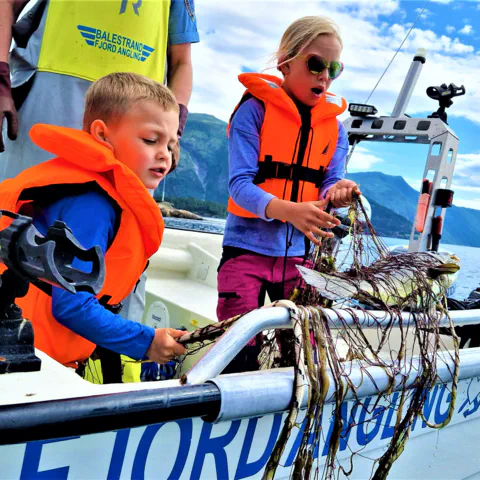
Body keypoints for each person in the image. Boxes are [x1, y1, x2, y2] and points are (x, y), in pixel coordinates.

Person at [0, 72, 186, 382]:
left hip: (41, 355)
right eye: (151, 140)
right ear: (102, 135)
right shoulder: (92, 206)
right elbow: (71, 307)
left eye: (170, 145)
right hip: (28, 363)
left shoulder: (97, 195)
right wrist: (147, 341)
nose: (163, 155)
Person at [217, 16, 360, 373]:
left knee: (303, 356)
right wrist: (288, 210)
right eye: (315, 64)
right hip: (245, 253)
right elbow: (240, 184)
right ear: (286, 63)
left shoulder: (335, 130)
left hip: (300, 259)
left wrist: (340, 192)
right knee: (238, 353)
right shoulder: (253, 111)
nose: (324, 76)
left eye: (333, 68)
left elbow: (330, 182)